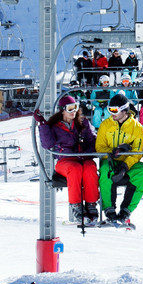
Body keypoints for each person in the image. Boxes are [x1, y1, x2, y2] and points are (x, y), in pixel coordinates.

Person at [36, 94, 100, 225]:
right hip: (65, 161)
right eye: (70, 108)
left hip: (83, 158)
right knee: (75, 169)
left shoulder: (83, 123)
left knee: (90, 167)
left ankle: (91, 204)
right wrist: (43, 124)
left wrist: (86, 153)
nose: (73, 111)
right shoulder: (55, 126)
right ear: (62, 110)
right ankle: (76, 206)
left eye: (75, 107)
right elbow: (47, 144)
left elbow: (92, 140)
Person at [96, 93, 143, 224]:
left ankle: (126, 209)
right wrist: (112, 153)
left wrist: (125, 166)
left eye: (114, 110)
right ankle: (109, 208)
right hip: (110, 161)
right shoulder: (105, 125)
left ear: (124, 110)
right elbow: (100, 147)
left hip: (128, 163)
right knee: (105, 172)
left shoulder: (136, 127)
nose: (112, 113)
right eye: (110, 110)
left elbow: (137, 152)